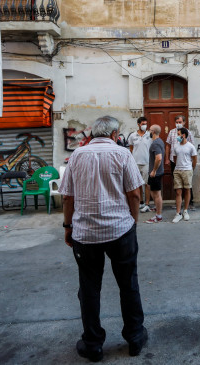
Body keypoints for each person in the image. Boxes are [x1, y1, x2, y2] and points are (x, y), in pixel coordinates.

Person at [59, 115, 148, 362]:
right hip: (120, 231)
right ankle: (135, 337)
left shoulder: (77, 155)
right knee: (128, 284)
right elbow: (135, 194)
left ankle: (93, 344)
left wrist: (67, 226)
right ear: (114, 134)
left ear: (93, 134)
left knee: (89, 289)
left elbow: (67, 197)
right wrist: (133, 222)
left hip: (85, 234)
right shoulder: (123, 154)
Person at [171, 127, 197, 223]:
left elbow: (194, 159)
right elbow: (174, 158)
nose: (177, 136)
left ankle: (185, 211)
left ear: (184, 135)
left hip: (187, 170)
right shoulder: (176, 146)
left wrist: (191, 168)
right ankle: (178, 213)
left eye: (179, 134)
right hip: (177, 170)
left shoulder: (190, 146)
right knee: (178, 192)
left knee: (187, 190)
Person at [127, 117, 152, 213]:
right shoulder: (132, 136)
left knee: (147, 184)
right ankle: (141, 202)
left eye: (145, 124)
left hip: (147, 163)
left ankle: (147, 204)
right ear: (138, 124)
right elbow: (131, 148)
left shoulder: (149, 135)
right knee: (138, 184)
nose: (144, 125)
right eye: (143, 124)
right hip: (135, 163)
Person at [145, 124, 165, 223]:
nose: (148, 131)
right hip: (155, 172)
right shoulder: (159, 141)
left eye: (149, 129)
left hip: (155, 173)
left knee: (156, 194)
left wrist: (154, 170)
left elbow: (159, 158)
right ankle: (157, 208)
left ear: (153, 132)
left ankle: (158, 216)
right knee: (153, 192)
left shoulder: (155, 143)